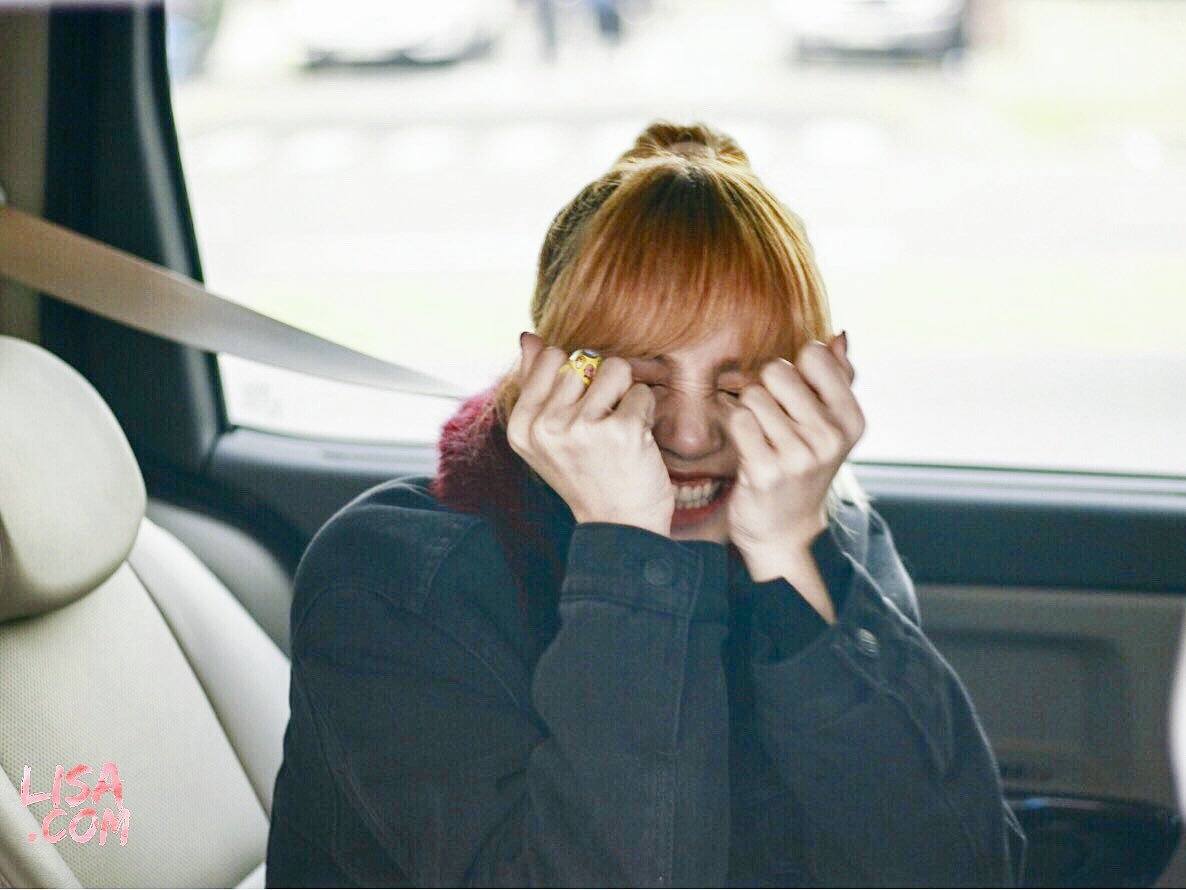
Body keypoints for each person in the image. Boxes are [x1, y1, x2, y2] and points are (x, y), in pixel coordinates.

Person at [265, 120, 1027, 887]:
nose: (691, 436)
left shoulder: (817, 540)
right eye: (644, 382)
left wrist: (793, 564)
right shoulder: (395, 582)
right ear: (552, 375)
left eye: (738, 387)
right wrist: (628, 553)